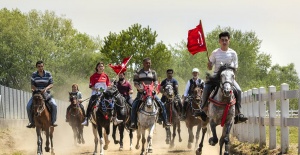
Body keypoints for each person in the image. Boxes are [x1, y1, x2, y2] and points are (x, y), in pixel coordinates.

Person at [196, 31, 248, 124]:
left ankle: (238, 113)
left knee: (239, 90)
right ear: (219, 41)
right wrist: (209, 65)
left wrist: (229, 73)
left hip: (229, 78)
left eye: (226, 40)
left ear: (229, 41)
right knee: (206, 87)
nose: (224, 42)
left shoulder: (233, 53)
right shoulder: (215, 53)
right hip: (216, 77)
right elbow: (210, 67)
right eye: (222, 40)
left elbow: (236, 68)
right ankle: (203, 110)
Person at [129, 58, 171, 129]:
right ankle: (133, 122)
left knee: (161, 104)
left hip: (152, 93)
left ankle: (165, 121)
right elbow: (135, 83)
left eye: (149, 63)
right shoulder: (138, 72)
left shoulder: (153, 72)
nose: (148, 64)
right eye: (146, 63)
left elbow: (156, 82)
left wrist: (153, 88)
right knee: (134, 105)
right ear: (143, 63)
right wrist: (140, 88)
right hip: (141, 93)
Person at [26, 60, 58, 128]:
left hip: (46, 93)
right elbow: (32, 85)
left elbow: (51, 84)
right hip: (37, 94)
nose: (40, 68)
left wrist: (45, 89)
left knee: (54, 105)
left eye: (41, 66)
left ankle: (52, 122)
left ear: (43, 66)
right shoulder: (34, 75)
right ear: (36, 67)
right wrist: (36, 90)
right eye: (39, 66)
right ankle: (32, 122)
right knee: (28, 106)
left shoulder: (48, 74)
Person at [81, 62, 111, 126]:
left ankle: (114, 117)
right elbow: (91, 86)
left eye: (102, 66)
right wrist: (96, 89)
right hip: (96, 94)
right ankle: (86, 119)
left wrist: (110, 86)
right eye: (99, 66)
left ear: (104, 68)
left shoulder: (106, 76)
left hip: (105, 94)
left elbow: (108, 86)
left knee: (112, 102)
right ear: (97, 68)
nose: (101, 67)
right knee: (90, 104)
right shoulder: (93, 76)